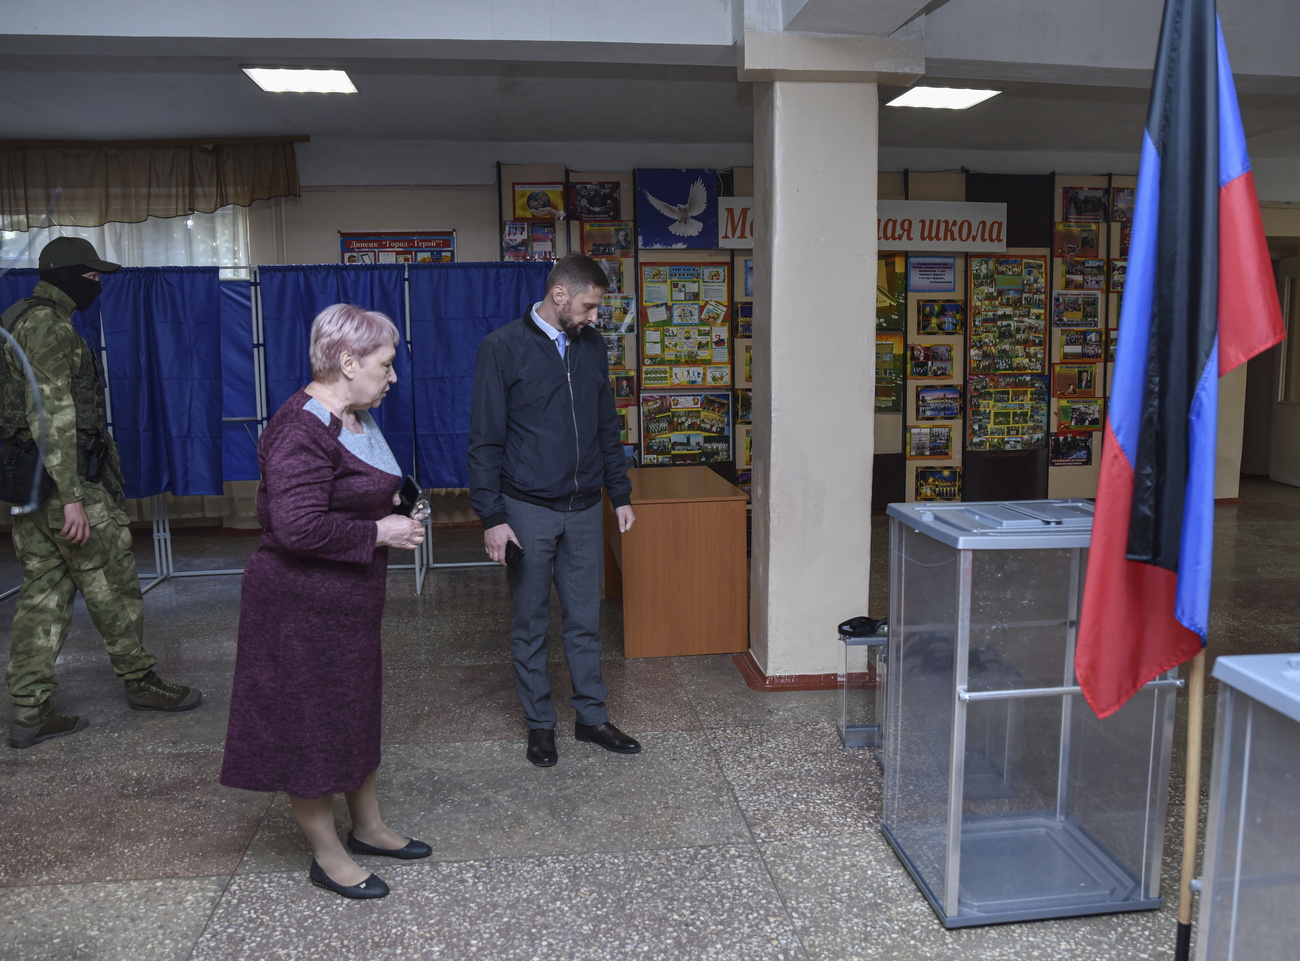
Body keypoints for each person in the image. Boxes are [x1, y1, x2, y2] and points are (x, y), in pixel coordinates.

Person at [220, 303, 429, 900]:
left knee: (352, 712)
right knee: (310, 727)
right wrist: (379, 533)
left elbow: (351, 492)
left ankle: (367, 826)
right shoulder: (299, 427)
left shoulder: (354, 417)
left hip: (346, 606)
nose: (393, 376)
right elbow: (296, 526)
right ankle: (327, 854)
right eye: (385, 365)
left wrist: (393, 510)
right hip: (297, 610)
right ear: (347, 362)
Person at [1, 237, 200, 750]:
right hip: (63, 483)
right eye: (91, 276)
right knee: (113, 582)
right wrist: (71, 495)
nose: (98, 284)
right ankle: (141, 682)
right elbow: (52, 415)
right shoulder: (45, 324)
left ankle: (28, 709)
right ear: (64, 274)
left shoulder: (18, 317)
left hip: (31, 483)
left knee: (43, 594)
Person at [469, 254, 639, 768]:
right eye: (588, 306)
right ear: (559, 295)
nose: (594, 318)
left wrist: (620, 492)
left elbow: (607, 425)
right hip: (526, 511)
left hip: (585, 508)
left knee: (585, 621)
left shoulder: (592, 348)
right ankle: (540, 724)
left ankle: (591, 718)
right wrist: (492, 517)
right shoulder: (503, 348)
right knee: (530, 622)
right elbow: (484, 442)